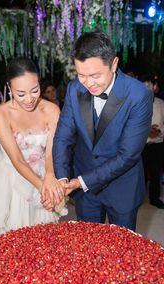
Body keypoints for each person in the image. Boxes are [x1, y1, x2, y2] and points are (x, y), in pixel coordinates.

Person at [0, 57, 66, 259]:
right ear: (9, 88)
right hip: (10, 179)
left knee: (40, 245)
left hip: (43, 172)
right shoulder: (1, 114)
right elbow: (17, 160)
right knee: (9, 244)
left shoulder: (52, 109)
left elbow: (53, 150)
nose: (29, 99)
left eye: (34, 90)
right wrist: (42, 186)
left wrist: (50, 176)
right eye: (21, 93)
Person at [51, 31, 153, 231]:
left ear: (114, 64)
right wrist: (63, 178)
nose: (88, 83)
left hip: (122, 187)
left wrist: (81, 182)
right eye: (81, 75)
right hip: (84, 191)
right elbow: (63, 136)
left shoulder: (139, 95)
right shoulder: (74, 89)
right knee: (88, 250)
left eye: (95, 75)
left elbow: (128, 155)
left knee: (121, 254)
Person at [141, 75, 164, 209]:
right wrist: (145, 130)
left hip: (157, 145)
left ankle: (155, 198)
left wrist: (159, 131)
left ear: (154, 87)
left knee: (155, 174)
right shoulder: (134, 103)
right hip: (140, 145)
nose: (145, 89)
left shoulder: (162, 104)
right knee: (139, 174)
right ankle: (137, 198)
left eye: (148, 86)